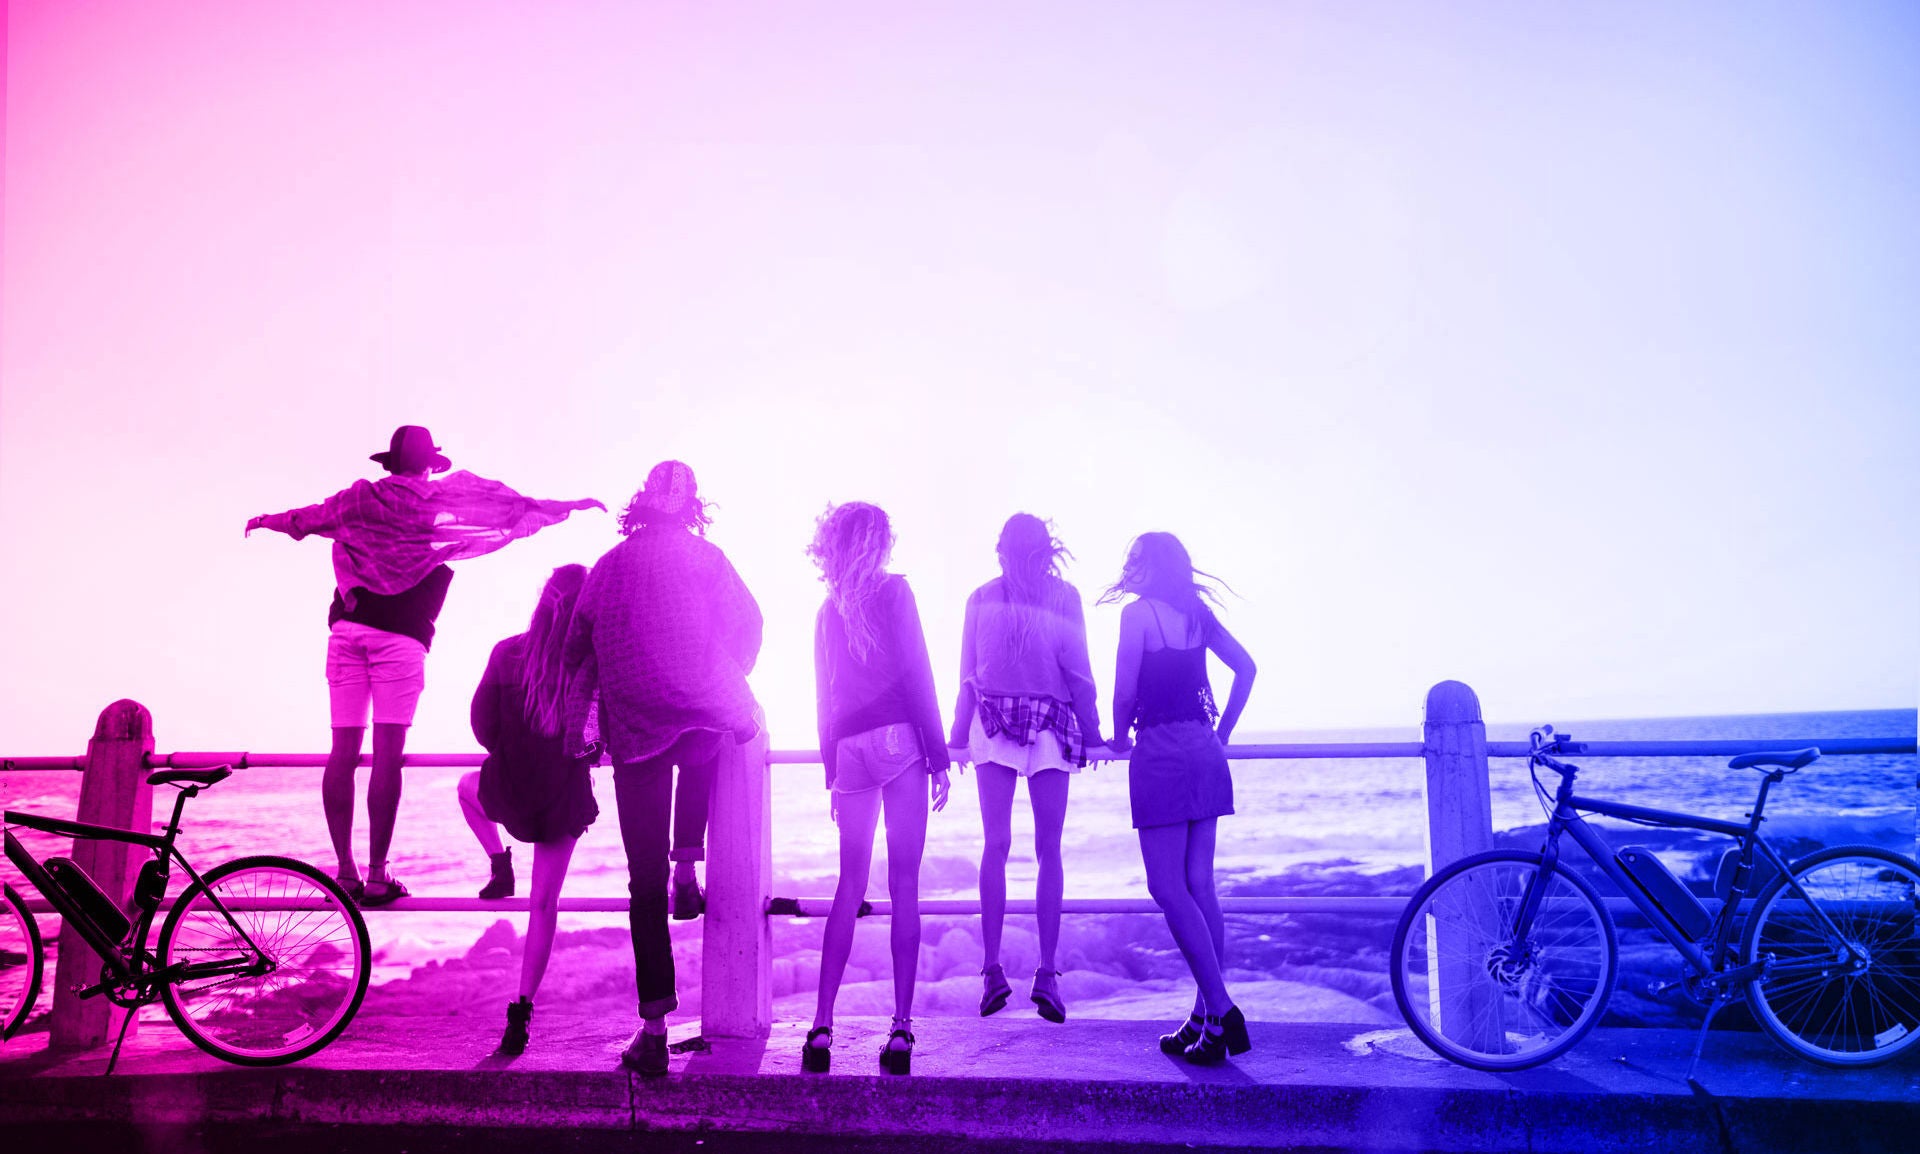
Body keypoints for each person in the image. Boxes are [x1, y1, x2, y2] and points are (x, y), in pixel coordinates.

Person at [245, 425, 602, 908]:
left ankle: (344, 872)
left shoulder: (358, 500)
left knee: (342, 753)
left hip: (347, 632)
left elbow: (306, 519)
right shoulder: (434, 502)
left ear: (391, 463)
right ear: (429, 465)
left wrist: (267, 520)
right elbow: (505, 507)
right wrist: (566, 507)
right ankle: (377, 875)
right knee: (387, 756)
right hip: (401, 639)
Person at [564, 460, 762, 1076]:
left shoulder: (609, 566)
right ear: (692, 504)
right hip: (697, 712)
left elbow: (575, 644)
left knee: (640, 882)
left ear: (643, 501)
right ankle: (688, 865)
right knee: (704, 743)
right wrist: (717, 672)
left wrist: (615, 678)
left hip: (633, 730)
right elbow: (749, 625)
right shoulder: (707, 559)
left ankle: (653, 1029)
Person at [804, 502, 952, 1075]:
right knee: (904, 884)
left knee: (849, 885)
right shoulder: (894, 592)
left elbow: (822, 698)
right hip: (897, 742)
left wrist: (831, 772)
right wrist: (938, 756)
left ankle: (822, 1026)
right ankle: (901, 1030)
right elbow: (918, 673)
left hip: (849, 753)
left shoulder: (827, 610)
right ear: (880, 542)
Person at [1100, 532, 1257, 1064]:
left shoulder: (1138, 615)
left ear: (1152, 565)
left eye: (1134, 559)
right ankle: (1206, 1019)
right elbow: (1247, 668)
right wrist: (1223, 732)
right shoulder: (1196, 614)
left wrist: (1116, 738)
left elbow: (1124, 693)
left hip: (1162, 753)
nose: (1127, 567)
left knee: (1166, 886)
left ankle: (1223, 1009)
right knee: (1199, 884)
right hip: (1204, 750)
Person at [948, 513, 1107, 1023]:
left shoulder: (980, 597)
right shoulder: (1063, 597)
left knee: (995, 845)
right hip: (1051, 722)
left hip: (992, 719)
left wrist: (955, 740)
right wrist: (1094, 734)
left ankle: (992, 970)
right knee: (1048, 849)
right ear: (1046, 550)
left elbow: (967, 677)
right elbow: (1079, 672)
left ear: (1001, 551)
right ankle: (1047, 974)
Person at [454, 565, 599, 1054]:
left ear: (543, 600)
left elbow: (482, 727)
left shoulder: (507, 651)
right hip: (562, 795)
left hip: (511, 787)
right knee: (543, 905)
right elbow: (595, 736)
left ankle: (499, 863)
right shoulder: (589, 661)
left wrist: (513, 751)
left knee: (466, 788)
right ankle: (521, 1009)